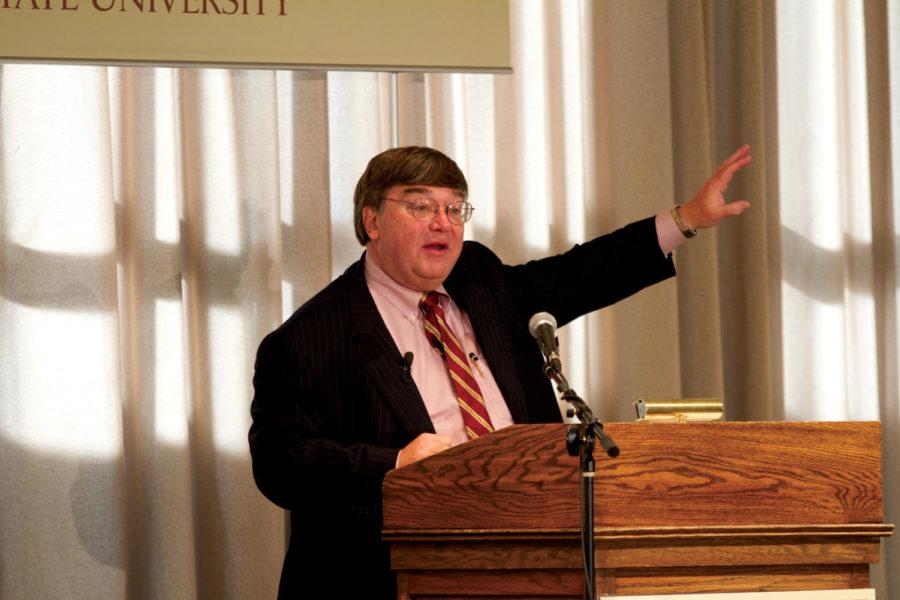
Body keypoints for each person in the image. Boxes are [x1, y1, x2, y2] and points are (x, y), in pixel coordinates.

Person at [249, 145, 751, 599]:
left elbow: (577, 275)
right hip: (393, 574)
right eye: (420, 206)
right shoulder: (311, 337)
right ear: (373, 221)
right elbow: (279, 461)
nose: (441, 222)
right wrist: (394, 463)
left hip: (535, 555)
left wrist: (686, 219)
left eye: (453, 208)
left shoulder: (479, 278)